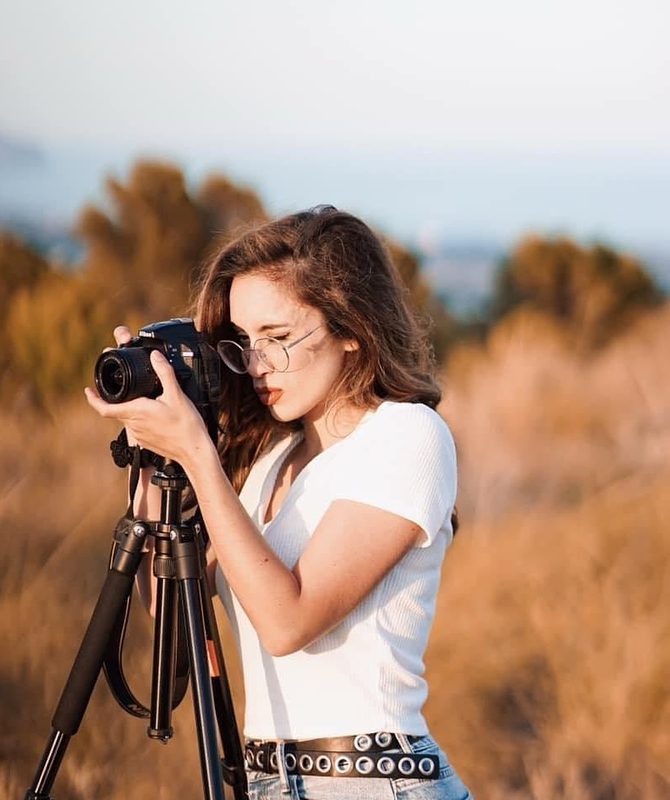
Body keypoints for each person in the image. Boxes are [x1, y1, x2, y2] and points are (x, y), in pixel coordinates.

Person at [85, 206, 473, 799]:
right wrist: (155, 461)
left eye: (278, 337)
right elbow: (172, 610)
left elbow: (287, 622)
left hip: (373, 781)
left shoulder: (406, 435)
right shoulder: (267, 462)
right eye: (243, 342)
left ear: (351, 328)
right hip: (268, 780)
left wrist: (197, 455)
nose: (257, 365)